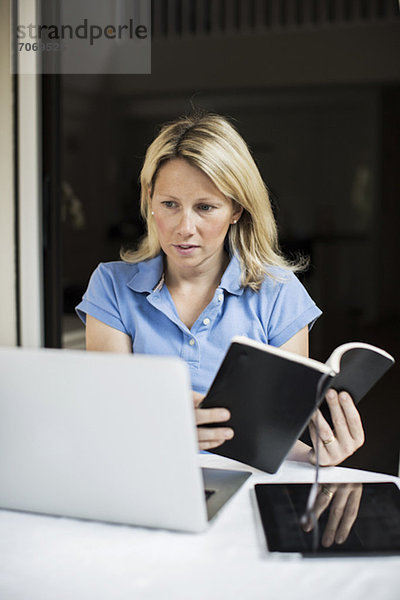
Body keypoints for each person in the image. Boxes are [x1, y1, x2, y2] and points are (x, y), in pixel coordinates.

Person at [76, 113, 364, 467]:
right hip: (140, 474)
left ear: (236, 209)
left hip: (243, 484)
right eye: (169, 204)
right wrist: (166, 427)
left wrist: (316, 453)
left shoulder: (279, 293)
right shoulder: (111, 287)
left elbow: (273, 437)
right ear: (150, 200)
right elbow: (108, 417)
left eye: (205, 207)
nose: (185, 228)